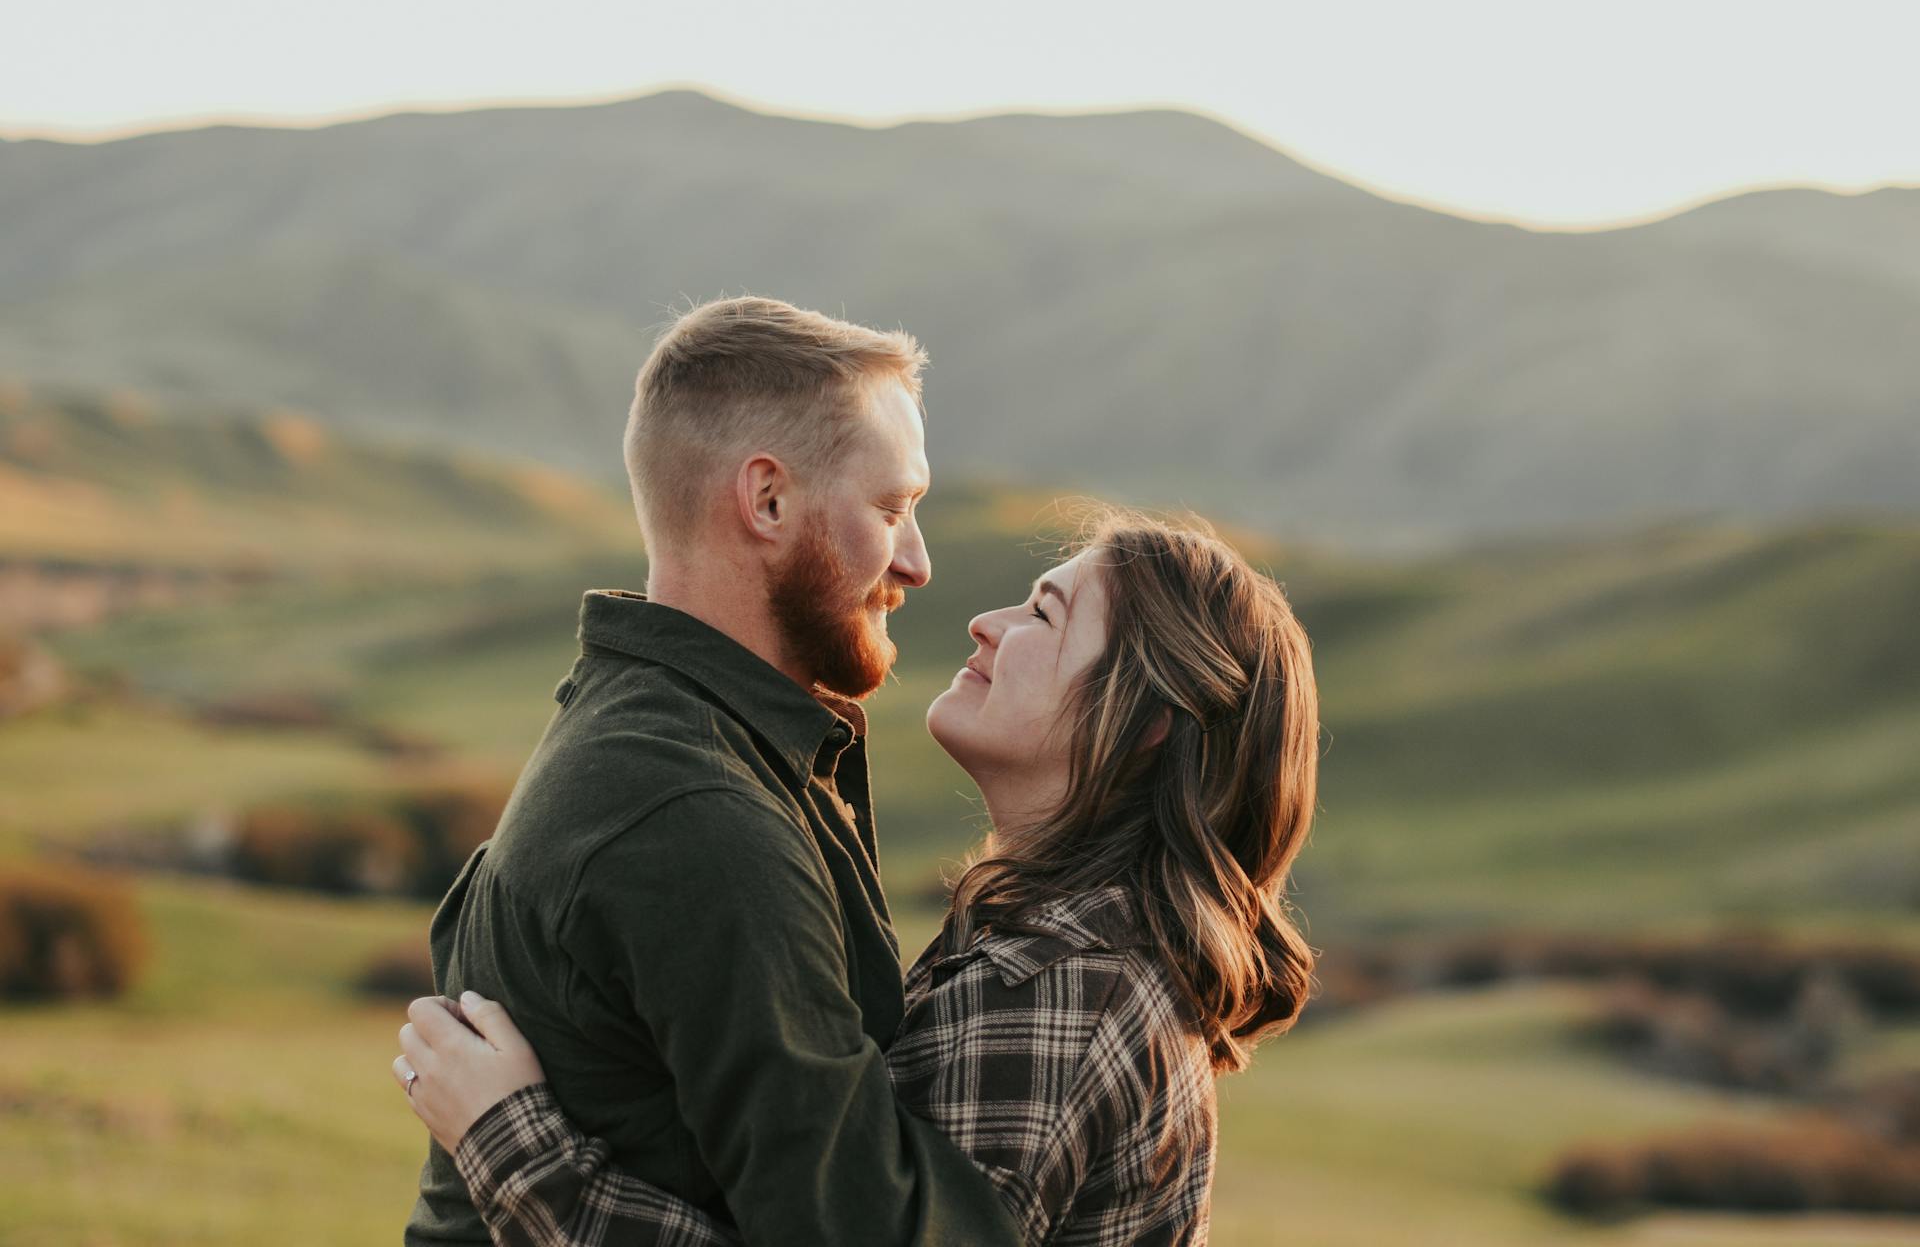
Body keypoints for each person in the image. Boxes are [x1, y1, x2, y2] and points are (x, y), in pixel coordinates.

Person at [395, 509, 1322, 1246]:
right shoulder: (1067, 955)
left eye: (1044, 613)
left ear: (1148, 721)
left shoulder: (1065, 990)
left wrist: (512, 1146)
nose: (984, 620)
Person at [400, 295, 1023, 1245]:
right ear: (767, 500)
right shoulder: (695, 811)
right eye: (892, 508)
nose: (917, 562)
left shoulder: (661, 736)